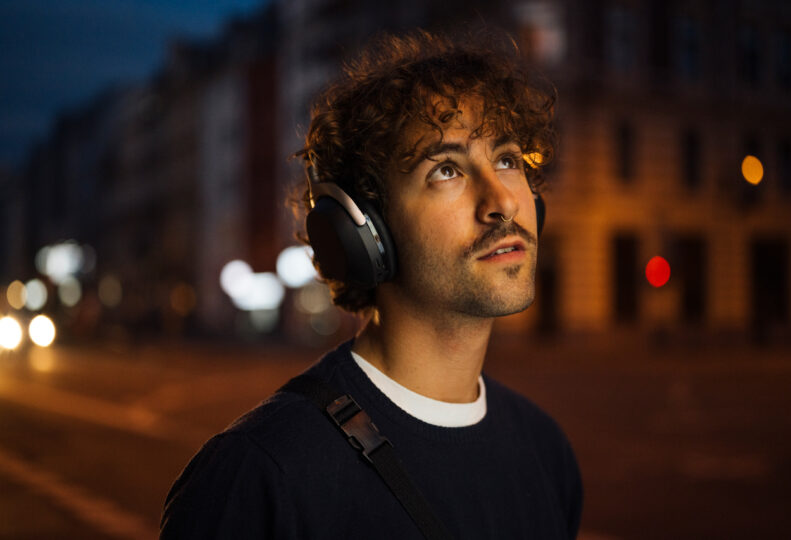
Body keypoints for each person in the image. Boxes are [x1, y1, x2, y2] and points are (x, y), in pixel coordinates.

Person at [161, 30, 582, 539]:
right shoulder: (261, 475)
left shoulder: (547, 451)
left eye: (508, 160)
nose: (503, 201)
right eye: (447, 169)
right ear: (364, 232)